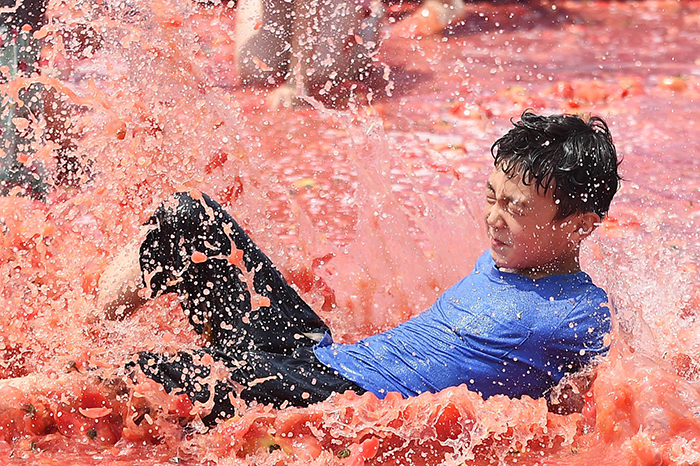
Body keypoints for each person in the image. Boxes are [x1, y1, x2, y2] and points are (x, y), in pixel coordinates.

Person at [95, 110, 620, 427]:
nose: (494, 220)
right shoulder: (513, 259)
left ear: (579, 226)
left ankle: (50, 385)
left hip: (342, 402)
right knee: (191, 218)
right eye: (492, 197)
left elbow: (617, 391)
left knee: (142, 377)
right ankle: (89, 331)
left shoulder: (578, 313)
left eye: (517, 208)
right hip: (319, 356)